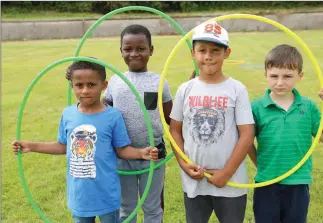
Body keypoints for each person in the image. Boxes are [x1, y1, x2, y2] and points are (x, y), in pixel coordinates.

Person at [12, 60, 159, 223]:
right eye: (79, 85)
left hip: (107, 196)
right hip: (80, 197)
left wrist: (140, 153)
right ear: (72, 86)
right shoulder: (67, 114)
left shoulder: (113, 116)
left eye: (91, 85)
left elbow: (121, 150)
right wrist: (31, 146)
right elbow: (62, 146)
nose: (85, 90)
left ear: (104, 85)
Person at [169, 21, 255, 223]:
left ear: (227, 53)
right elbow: (174, 131)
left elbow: (247, 134)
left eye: (215, 51)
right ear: (193, 53)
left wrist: (226, 173)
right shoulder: (185, 90)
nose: (208, 56)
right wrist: (184, 164)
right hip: (194, 183)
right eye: (202, 50)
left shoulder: (237, 89)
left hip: (231, 184)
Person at [248, 44, 323, 223]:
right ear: (266, 75)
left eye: (287, 76)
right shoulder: (256, 107)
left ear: (300, 76)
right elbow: (247, 142)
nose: (280, 82)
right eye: (274, 76)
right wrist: (260, 163)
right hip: (267, 182)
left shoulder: (308, 106)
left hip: (298, 182)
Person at [102, 24, 173, 223]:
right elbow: (101, 112)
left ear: (151, 50)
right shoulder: (115, 81)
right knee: (126, 207)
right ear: (121, 51)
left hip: (153, 153)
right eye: (128, 49)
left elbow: (171, 118)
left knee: (153, 207)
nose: (134, 53)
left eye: (141, 48)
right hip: (122, 153)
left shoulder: (159, 82)